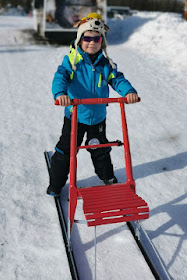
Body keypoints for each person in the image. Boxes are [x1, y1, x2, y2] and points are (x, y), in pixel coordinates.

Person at [47, 12, 139, 196]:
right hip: (75, 117)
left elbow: (117, 79)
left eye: (97, 39)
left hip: (97, 118)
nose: (92, 42)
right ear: (80, 39)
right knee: (66, 150)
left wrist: (128, 92)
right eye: (87, 38)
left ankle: (107, 176)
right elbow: (60, 77)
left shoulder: (106, 64)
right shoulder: (72, 62)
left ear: (102, 42)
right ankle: (56, 184)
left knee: (100, 148)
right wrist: (61, 94)